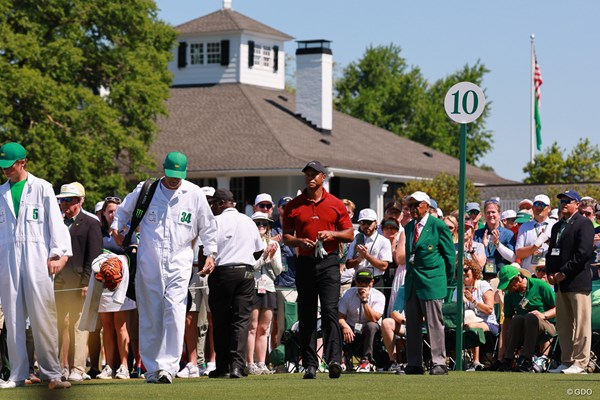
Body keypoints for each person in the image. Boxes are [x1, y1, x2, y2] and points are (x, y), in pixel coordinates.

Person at [111, 151, 217, 384]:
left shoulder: (194, 194)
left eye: (178, 176)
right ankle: (151, 368)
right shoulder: (146, 189)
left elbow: (208, 226)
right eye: (170, 175)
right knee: (150, 313)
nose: (173, 180)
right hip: (149, 259)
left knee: (175, 310)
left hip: (180, 260)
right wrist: (117, 230)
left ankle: (168, 367)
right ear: (163, 170)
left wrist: (210, 253)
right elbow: (122, 211)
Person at [0, 142, 72, 390]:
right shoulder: (0, 193)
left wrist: (58, 254)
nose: (5, 171)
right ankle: (17, 375)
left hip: (37, 258)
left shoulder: (41, 188)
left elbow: (56, 224)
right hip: (7, 259)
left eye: (9, 167)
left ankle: (52, 374)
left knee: (43, 316)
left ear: (23, 163)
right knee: (13, 318)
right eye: (3, 168)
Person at [282, 160, 354, 379]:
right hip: (305, 263)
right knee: (307, 313)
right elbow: (286, 236)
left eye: (314, 174)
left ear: (324, 177)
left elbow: (349, 234)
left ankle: (334, 360)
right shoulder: (294, 205)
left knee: (331, 310)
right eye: (307, 174)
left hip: (329, 262)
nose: (310, 178)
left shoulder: (335, 204)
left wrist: (331, 234)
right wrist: (299, 242)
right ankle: (310, 364)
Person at [204, 189, 264, 379]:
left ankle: (223, 367)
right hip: (245, 272)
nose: (211, 207)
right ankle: (237, 366)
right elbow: (258, 250)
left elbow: (206, 251)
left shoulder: (215, 221)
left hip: (222, 272)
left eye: (213, 203)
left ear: (222, 203)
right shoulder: (248, 221)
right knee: (241, 320)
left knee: (221, 320)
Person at [55, 182, 103, 382]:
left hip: (79, 283)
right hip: (58, 282)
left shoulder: (90, 222)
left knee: (77, 325)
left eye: (70, 200)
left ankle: (78, 368)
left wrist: (86, 283)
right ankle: (57, 368)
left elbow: (94, 256)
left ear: (81, 200)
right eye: (63, 200)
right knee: (58, 325)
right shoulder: (56, 221)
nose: (65, 204)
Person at [403, 191, 455, 375]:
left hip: (432, 281)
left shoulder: (438, 226)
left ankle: (439, 363)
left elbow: (450, 257)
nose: (413, 208)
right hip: (412, 282)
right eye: (410, 205)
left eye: (416, 204)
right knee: (412, 325)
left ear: (427, 205)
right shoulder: (409, 227)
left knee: (434, 324)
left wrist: (443, 281)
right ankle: (414, 363)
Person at [546, 190, 595, 374]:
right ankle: (566, 361)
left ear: (577, 203)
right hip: (560, 283)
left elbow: (583, 253)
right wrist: (551, 272)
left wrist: (564, 273)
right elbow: (551, 251)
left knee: (581, 324)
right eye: (561, 201)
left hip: (577, 281)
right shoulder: (557, 226)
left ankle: (580, 362)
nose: (563, 203)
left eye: (567, 201)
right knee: (564, 324)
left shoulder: (584, 224)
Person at [96, 197, 136, 380]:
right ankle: (109, 366)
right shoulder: (98, 232)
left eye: (115, 211)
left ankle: (124, 366)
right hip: (102, 284)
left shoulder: (127, 231)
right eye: (109, 211)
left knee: (121, 326)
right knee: (107, 326)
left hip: (122, 284)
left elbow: (133, 255)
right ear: (103, 213)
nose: (112, 214)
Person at [497, 263, 556, 372]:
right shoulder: (509, 295)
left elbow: (558, 308)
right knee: (517, 318)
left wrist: (543, 315)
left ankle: (526, 359)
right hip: (524, 329)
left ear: (517, 279)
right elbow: (507, 321)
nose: (506, 289)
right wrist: (503, 347)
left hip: (547, 328)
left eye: (508, 285)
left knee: (530, 317)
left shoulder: (540, 285)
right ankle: (508, 359)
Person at [246, 211, 282, 375]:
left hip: (268, 287)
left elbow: (278, 270)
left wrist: (272, 256)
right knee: (252, 327)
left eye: (264, 224)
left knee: (264, 328)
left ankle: (261, 363)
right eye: (257, 223)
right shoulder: (247, 243)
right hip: (252, 286)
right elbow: (251, 267)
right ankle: (250, 363)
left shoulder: (274, 244)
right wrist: (265, 257)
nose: (261, 226)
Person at [338, 268, 385, 372]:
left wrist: (364, 300)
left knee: (371, 325)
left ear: (372, 282)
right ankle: (340, 360)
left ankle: (366, 360)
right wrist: (345, 326)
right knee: (337, 325)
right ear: (355, 281)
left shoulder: (379, 296)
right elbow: (340, 317)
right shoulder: (347, 294)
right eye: (360, 281)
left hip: (370, 332)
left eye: (366, 281)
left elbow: (374, 318)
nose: (363, 284)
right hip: (351, 329)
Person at [459, 262, 498, 370]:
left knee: (472, 326)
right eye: (461, 271)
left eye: (466, 270)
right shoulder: (459, 288)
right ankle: (457, 361)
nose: (463, 273)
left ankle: (476, 362)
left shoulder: (483, 285)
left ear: (474, 272)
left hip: (489, 323)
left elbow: (489, 310)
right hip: (466, 322)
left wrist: (473, 301)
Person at [346, 208, 393, 288]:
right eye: (363, 223)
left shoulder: (383, 241)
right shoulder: (356, 239)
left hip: (375, 280)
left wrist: (367, 256)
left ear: (376, 223)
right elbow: (348, 264)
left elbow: (384, 266)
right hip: (358, 280)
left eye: (369, 222)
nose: (366, 226)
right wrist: (359, 258)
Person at [474, 199, 516, 280]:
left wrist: (498, 244)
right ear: (484, 215)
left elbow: (512, 258)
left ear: (499, 214)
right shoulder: (477, 234)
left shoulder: (508, 234)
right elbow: (473, 258)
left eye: (493, 212)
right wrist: (483, 246)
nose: (491, 215)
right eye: (488, 212)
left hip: (501, 277)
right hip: (482, 277)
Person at [515, 194, 556, 275]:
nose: (539, 207)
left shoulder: (555, 225)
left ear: (549, 208)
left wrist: (548, 241)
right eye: (536, 204)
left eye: (542, 205)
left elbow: (561, 250)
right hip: (529, 274)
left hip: (548, 274)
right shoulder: (524, 227)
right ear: (533, 208)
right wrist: (535, 247)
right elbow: (519, 253)